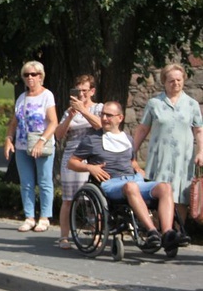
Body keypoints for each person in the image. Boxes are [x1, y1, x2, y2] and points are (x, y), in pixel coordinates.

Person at [69, 101, 180, 253]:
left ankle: (167, 233)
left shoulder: (127, 139)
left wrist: (138, 169)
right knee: (131, 187)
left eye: (109, 115)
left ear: (120, 118)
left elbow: (131, 161)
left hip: (133, 179)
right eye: (103, 114)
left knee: (165, 187)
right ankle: (152, 231)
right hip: (110, 184)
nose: (105, 118)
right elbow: (72, 162)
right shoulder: (91, 140)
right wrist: (89, 167)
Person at [133, 63, 203, 230]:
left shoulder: (191, 104)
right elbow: (143, 129)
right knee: (159, 194)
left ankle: (178, 233)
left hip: (183, 159)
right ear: (164, 81)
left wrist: (201, 151)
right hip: (160, 157)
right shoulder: (154, 103)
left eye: (179, 80)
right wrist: (132, 152)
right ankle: (160, 231)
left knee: (181, 196)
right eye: (171, 80)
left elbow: (199, 130)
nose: (176, 83)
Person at [3, 61, 58, 232]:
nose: (30, 78)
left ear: (41, 76)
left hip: (42, 143)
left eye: (34, 74)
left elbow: (53, 122)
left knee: (44, 181)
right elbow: (14, 121)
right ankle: (29, 216)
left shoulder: (47, 96)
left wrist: (41, 141)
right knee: (26, 182)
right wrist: (8, 139)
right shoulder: (22, 97)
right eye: (26, 75)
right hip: (22, 144)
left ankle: (44, 217)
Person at [54, 75, 103, 249]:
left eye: (85, 90)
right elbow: (59, 135)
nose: (81, 94)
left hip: (93, 154)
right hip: (72, 153)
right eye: (78, 90)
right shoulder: (69, 111)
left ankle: (96, 233)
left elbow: (101, 126)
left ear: (92, 91)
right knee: (68, 198)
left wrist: (83, 110)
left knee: (95, 198)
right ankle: (64, 236)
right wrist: (69, 117)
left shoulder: (98, 108)